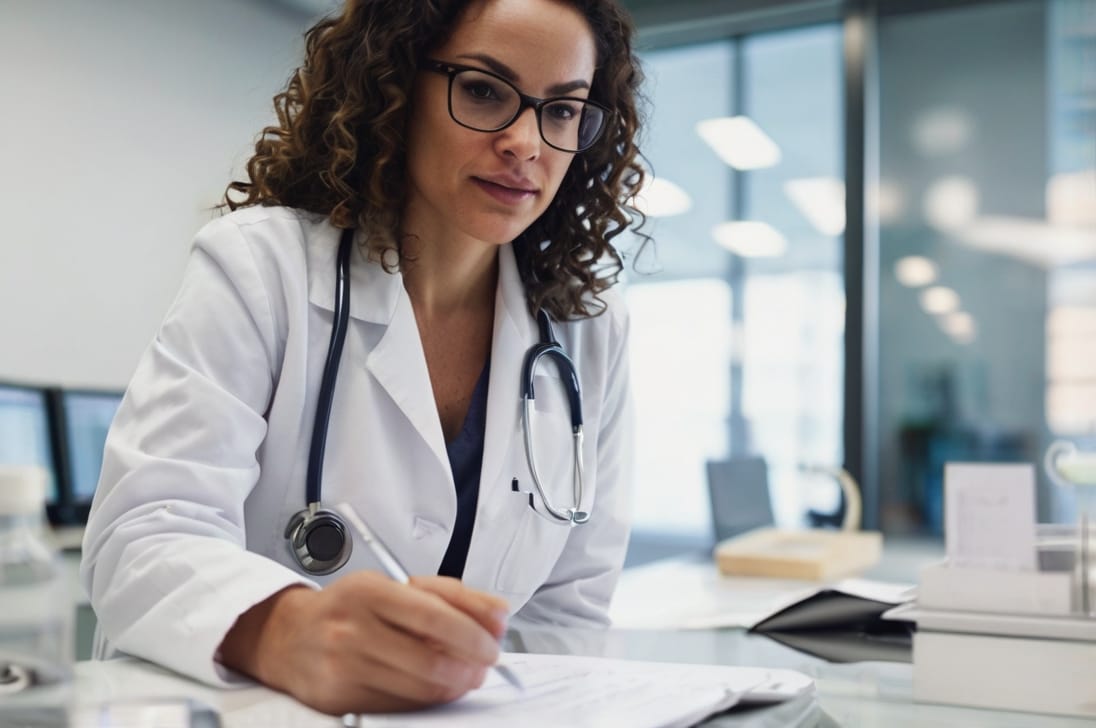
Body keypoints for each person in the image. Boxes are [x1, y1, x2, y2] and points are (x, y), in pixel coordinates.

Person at [80, 0, 646, 716]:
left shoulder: (589, 331)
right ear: (396, 86)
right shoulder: (263, 267)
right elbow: (143, 535)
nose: (526, 141)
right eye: (482, 90)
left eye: (562, 111)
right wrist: (286, 630)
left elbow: (569, 613)